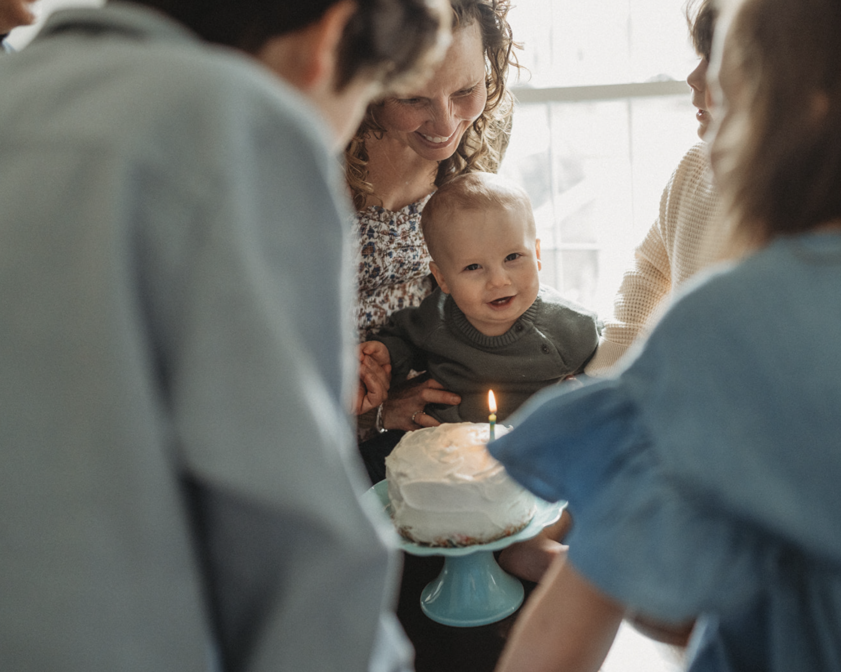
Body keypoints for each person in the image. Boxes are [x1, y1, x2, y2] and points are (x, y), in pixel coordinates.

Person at [491, 0, 841, 670]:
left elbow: (552, 654)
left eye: (730, 89)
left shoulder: (727, 326)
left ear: (804, 109)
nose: (709, 110)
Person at [0, 0, 447, 669]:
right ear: (330, 34)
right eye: (363, 99)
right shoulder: (235, 124)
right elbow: (301, 564)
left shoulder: (21, 96)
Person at [347, 0, 518, 440]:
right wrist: (374, 412)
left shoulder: (486, 128)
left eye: (465, 90)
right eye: (413, 98)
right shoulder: (316, 148)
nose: (445, 123)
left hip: (440, 391)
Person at [362, 172, 599, 447]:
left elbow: (611, 361)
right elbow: (404, 339)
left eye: (513, 257)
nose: (498, 280)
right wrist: (385, 356)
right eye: (473, 267)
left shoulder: (567, 325)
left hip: (536, 452)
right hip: (449, 454)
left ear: (537, 254)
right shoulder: (435, 318)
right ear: (442, 279)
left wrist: (590, 392)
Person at [586, 0, 725, 375]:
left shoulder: (806, 197)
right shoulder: (693, 167)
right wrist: (603, 375)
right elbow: (649, 272)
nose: (693, 78)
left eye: (716, 60)